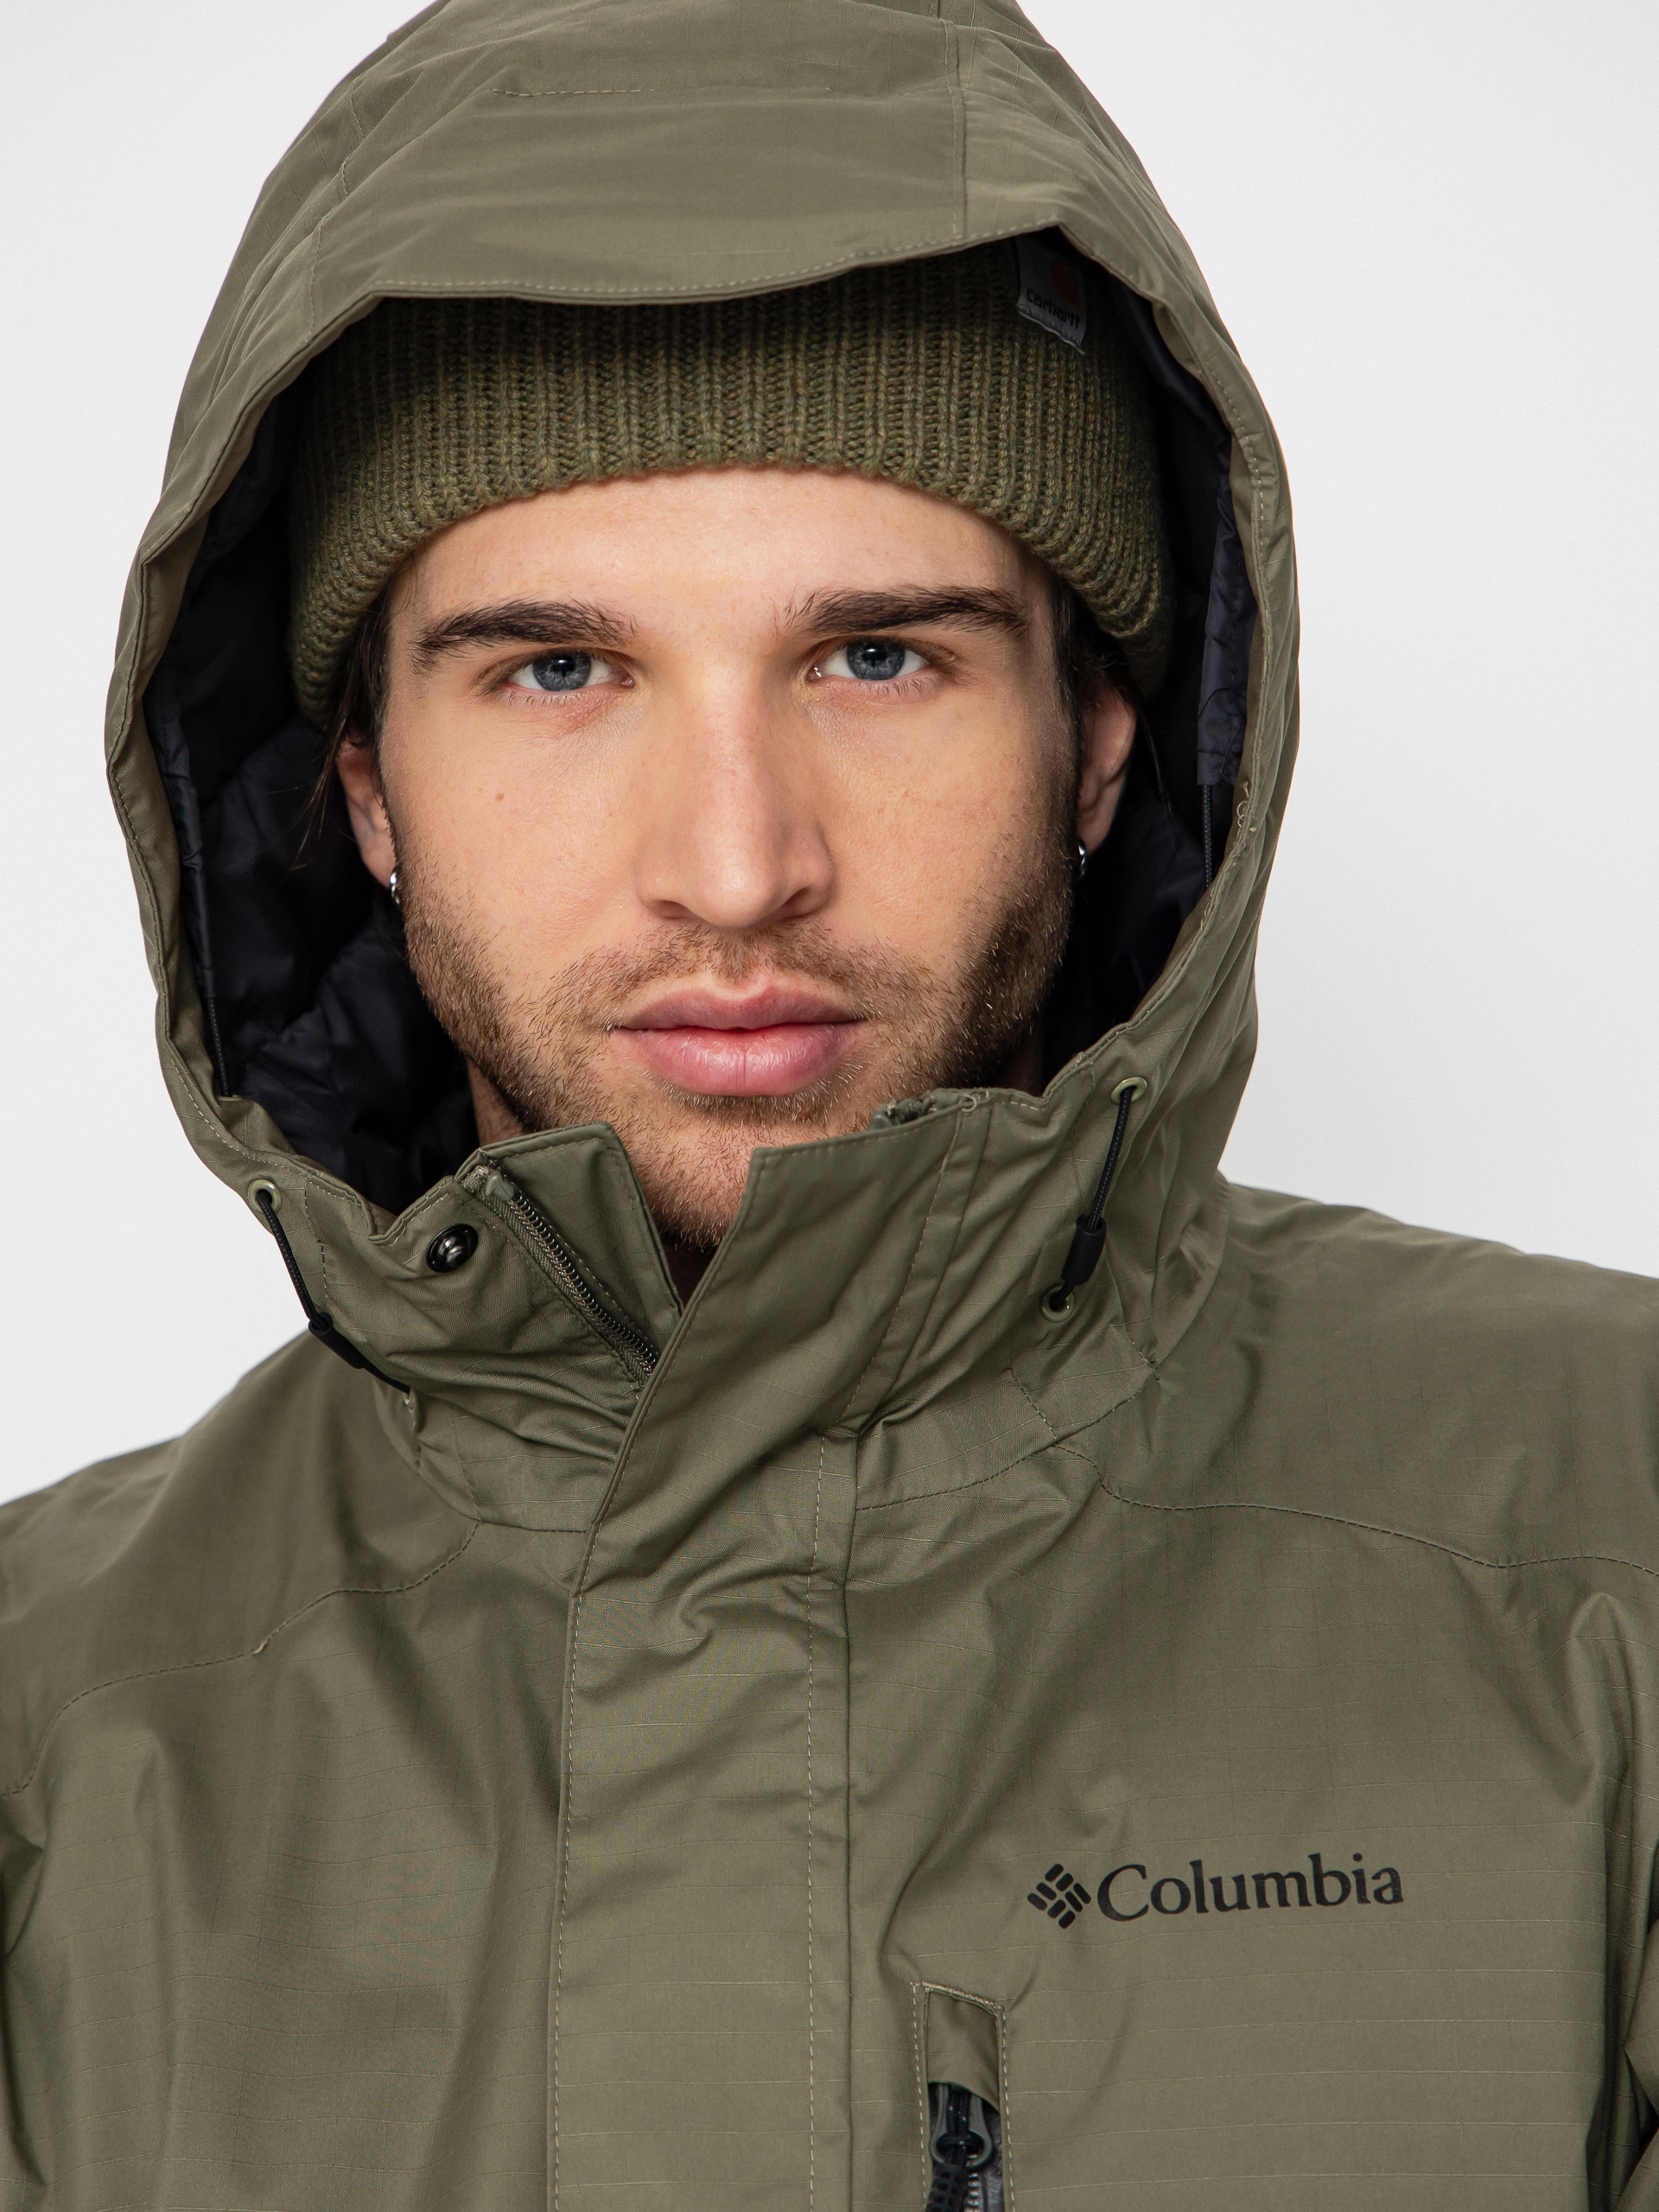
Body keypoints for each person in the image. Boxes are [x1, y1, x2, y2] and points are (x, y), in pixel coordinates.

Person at [3, 0, 1656, 2205]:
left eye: (878, 656)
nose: (735, 862)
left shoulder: (1618, 1540)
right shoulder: (46, 1727)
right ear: (367, 788)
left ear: (1097, 744)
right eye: (560, 668)